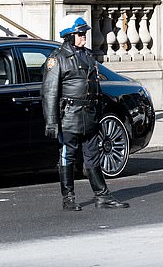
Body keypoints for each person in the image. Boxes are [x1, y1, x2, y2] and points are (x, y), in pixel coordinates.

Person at [41, 14, 129, 211]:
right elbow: (50, 92)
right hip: (69, 117)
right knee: (67, 156)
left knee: (93, 155)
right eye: (80, 33)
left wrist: (98, 113)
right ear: (69, 35)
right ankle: (68, 198)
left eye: (85, 33)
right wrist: (52, 122)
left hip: (89, 116)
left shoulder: (88, 55)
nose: (84, 36)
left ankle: (102, 196)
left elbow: (95, 87)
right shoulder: (57, 59)